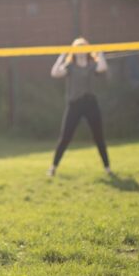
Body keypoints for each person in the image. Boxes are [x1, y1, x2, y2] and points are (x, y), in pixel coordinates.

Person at [47, 38, 112, 177]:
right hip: (74, 105)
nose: (80, 51)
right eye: (78, 48)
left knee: (99, 137)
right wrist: (62, 57)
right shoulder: (70, 66)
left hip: (90, 104)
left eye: (83, 48)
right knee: (65, 137)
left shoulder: (91, 65)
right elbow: (55, 73)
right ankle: (53, 167)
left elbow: (103, 67)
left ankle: (107, 168)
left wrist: (99, 54)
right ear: (74, 51)